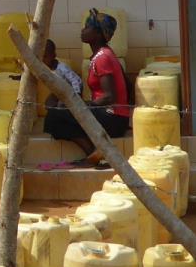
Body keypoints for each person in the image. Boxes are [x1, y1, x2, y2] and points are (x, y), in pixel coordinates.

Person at [43, 9, 131, 165]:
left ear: (98, 34)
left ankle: (92, 154)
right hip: (114, 116)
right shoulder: (104, 54)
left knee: (54, 118)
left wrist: (82, 105)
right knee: (57, 115)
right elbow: (127, 84)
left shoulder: (103, 57)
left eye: (87, 27)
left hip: (112, 118)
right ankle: (94, 155)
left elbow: (109, 97)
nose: (83, 30)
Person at [41, 38, 84, 102]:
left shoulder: (62, 68)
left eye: (45, 56)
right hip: (60, 92)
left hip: (71, 91)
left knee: (61, 104)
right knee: (49, 102)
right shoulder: (45, 68)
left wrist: (77, 94)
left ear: (53, 55)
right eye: (40, 57)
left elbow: (75, 80)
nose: (42, 59)